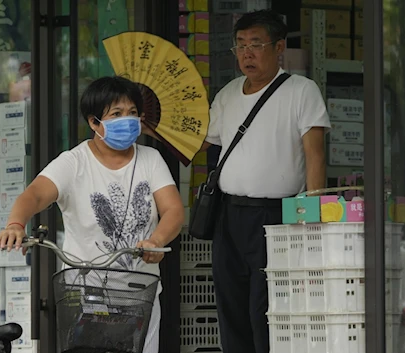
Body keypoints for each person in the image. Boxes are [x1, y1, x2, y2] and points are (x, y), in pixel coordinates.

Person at [143, 9, 330, 353]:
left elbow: (315, 155)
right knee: (230, 302)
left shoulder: (302, 91)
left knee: (266, 305)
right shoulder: (228, 94)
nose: (247, 53)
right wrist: (152, 126)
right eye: (240, 45)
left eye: (256, 44)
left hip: (277, 215)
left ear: (278, 48)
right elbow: (198, 143)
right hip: (228, 215)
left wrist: (312, 214)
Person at [0, 76, 184, 353]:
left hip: (140, 291)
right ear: (94, 123)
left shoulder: (151, 159)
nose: (127, 120)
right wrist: (15, 224)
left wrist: (157, 240)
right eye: (116, 114)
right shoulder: (73, 162)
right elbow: (34, 194)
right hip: (86, 290)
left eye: (133, 113)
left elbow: (173, 210)